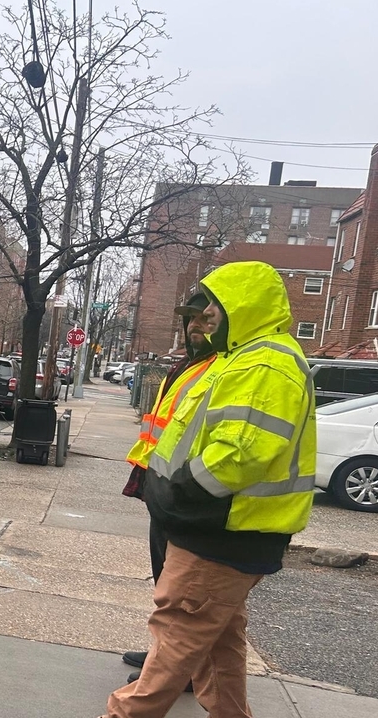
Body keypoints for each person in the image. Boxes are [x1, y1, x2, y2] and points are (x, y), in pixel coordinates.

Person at [101, 260, 316, 718]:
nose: (205, 316)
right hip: (221, 527)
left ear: (242, 306)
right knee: (218, 642)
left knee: (176, 634)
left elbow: (240, 454)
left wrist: (174, 493)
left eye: (214, 306)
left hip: (220, 528)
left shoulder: (264, 363)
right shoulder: (241, 358)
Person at [118, 293, 218, 685]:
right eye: (190, 319)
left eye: (205, 318)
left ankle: (177, 671)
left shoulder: (217, 368)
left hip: (185, 491)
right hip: (162, 485)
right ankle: (166, 654)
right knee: (166, 581)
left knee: (183, 590)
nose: (195, 325)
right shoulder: (189, 365)